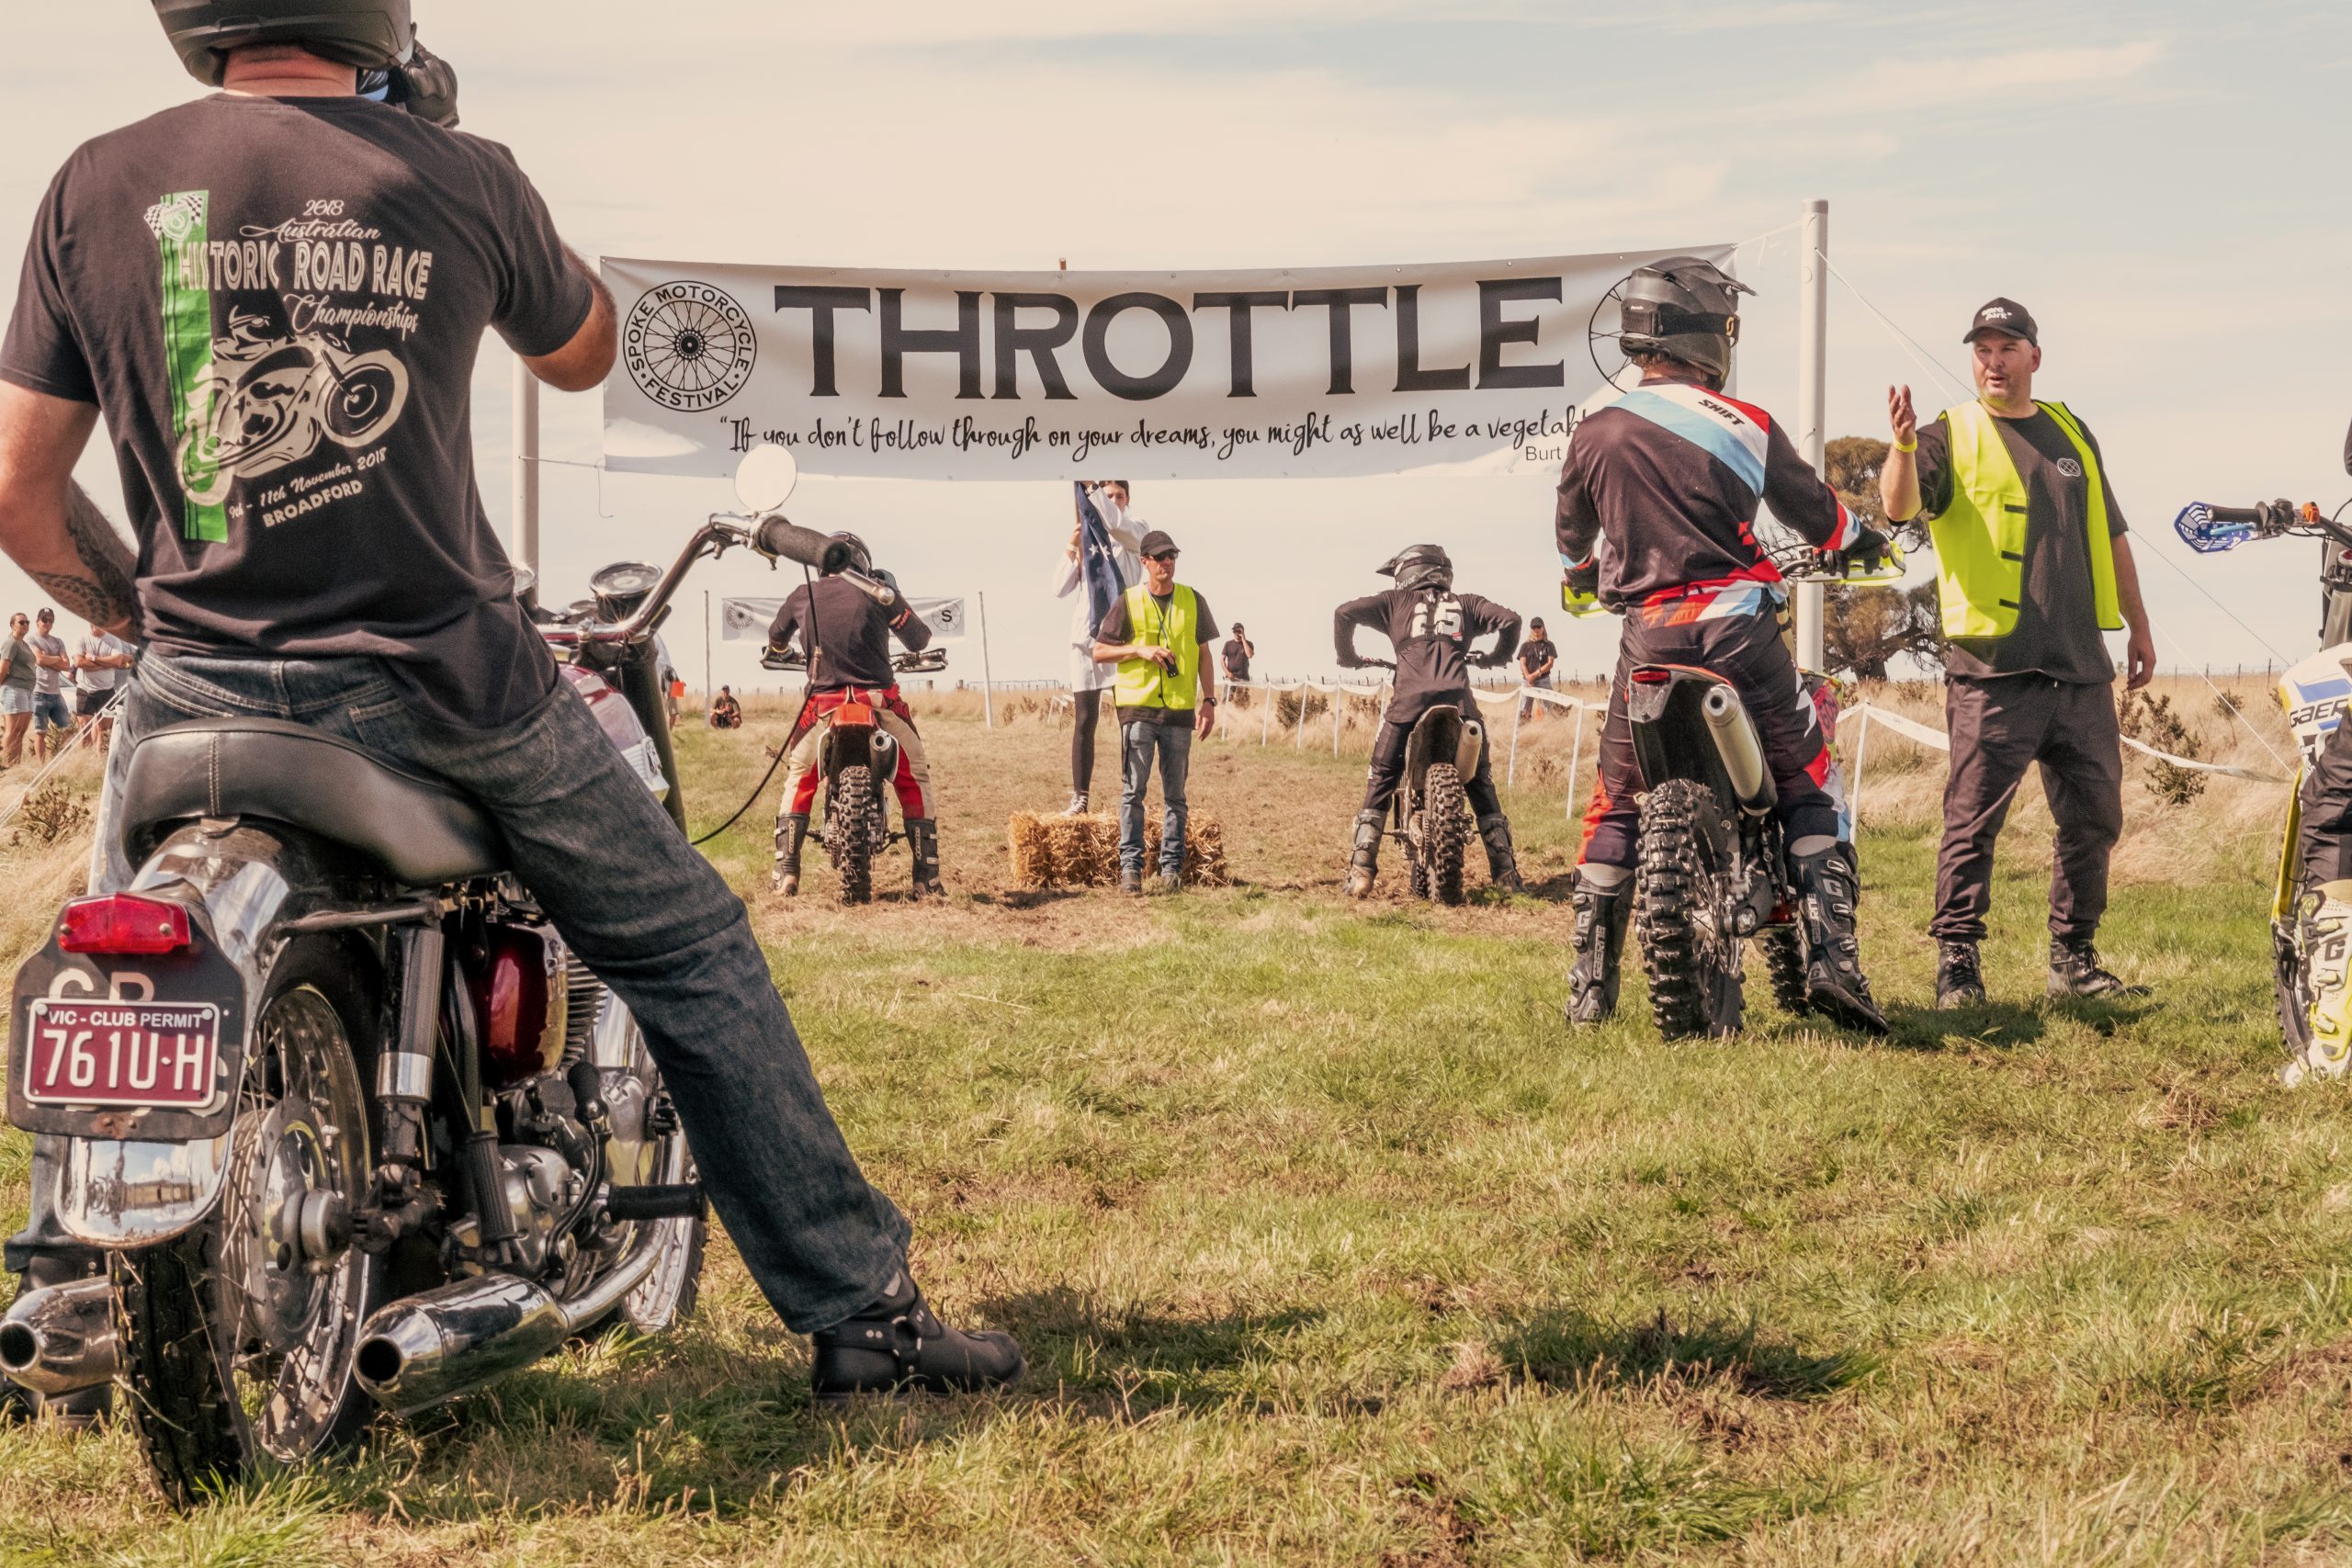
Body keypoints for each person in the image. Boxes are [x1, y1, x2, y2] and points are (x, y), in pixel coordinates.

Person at [0, 2, 1018, 1420]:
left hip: (193, 684)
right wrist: (461, 171)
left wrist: (144, 618)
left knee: (110, 975)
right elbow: (584, 350)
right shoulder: (456, 175)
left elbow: (19, 495)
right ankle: (863, 1313)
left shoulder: (92, 181)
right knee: (689, 944)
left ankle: (56, 1295)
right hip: (440, 674)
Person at [1555, 255, 1889, 1034]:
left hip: (1646, 640)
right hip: (1737, 627)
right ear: (1706, 332)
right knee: (1810, 779)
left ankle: (1588, 987)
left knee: (1614, 801)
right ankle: (1834, 961)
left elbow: (1573, 543)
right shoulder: (1747, 424)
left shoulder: (1592, 430)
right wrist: (1861, 542)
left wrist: (1582, 580)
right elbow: (1824, 519)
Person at [1882, 298, 2156, 1010]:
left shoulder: (2072, 431)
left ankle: (2074, 959)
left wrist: (2140, 626)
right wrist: (1904, 447)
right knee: (1973, 822)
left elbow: (2115, 534)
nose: (1993, 361)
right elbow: (1899, 507)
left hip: (2080, 666)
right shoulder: (1948, 434)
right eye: (1982, 349)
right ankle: (1958, 966)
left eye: (2007, 348)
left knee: (2094, 818)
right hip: (1993, 669)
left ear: (2035, 356)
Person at [1336, 545, 1524, 897]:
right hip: (1459, 702)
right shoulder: (1467, 603)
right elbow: (1512, 621)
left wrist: (1347, 657)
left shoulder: (1395, 602)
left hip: (1409, 702)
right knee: (1480, 781)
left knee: (1381, 776)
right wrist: (1497, 657)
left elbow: (1344, 613)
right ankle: (1506, 873)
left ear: (1408, 573)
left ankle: (1362, 871)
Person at [766, 532, 942, 897]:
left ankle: (785, 872)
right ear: (862, 561)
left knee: (800, 775)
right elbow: (920, 640)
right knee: (914, 774)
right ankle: (927, 876)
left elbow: (776, 638)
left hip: (822, 707)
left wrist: (782, 651)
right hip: (878, 701)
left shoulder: (803, 594)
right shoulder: (878, 591)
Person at [1091, 528, 1217, 893]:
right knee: (1134, 791)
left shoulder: (1194, 600)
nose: (1167, 563)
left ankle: (1171, 870)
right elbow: (1099, 651)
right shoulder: (1128, 601)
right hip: (1137, 710)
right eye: (1159, 557)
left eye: (1172, 556)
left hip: (1179, 713)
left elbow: (1205, 654)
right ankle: (1130, 868)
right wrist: (1140, 650)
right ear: (1144, 562)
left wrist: (1208, 701)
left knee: (1176, 796)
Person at [1051, 479, 1142, 815]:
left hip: (1124, 638)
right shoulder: (1087, 539)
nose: (1113, 501)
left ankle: (1131, 795)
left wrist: (1094, 497)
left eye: (1119, 496)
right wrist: (1072, 546)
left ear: (1127, 500)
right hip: (1086, 638)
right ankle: (1081, 796)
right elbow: (1059, 588)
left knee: (1128, 720)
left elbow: (1118, 527)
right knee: (1085, 719)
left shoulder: (1135, 533)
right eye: (1108, 496)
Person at [73, 618, 134, 750]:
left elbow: (119, 661)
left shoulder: (114, 640)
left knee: (104, 729)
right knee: (85, 729)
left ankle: (98, 760)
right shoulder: (81, 639)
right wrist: (107, 664)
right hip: (85, 689)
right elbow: (79, 663)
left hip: (107, 690)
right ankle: (85, 761)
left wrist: (94, 659)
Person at [27, 607, 74, 760]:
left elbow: (67, 665)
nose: (48, 623)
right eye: (44, 620)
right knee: (41, 732)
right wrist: (56, 659)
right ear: (37, 621)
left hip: (56, 693)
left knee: (68, 729)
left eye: (51, 620)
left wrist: (49, 660)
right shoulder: (31, 640)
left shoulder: (58, 641)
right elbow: (38, 659)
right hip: (39, 692)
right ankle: (42, 765)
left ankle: (64, 760)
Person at [0, 613, 34, 766]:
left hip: (27, 690)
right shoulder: (11, 643)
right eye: (21, 622)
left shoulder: (24, 644)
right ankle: (3, 766)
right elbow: (3, 669)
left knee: (20, 732)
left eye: (27, 622)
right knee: (12, 731)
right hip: (14, 688)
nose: (25, 625)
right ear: (12, 624)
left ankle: (15, 765)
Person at [1516, 615, 1557, 722]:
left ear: (1543, 628)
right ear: (1531, 629)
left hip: (1543, 680)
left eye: (1538, 627)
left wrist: (1534, 675)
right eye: (1534, 627)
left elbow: (1550, 663)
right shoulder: (1525, 646)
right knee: (1524, 711)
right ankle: (1523, 732)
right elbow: (1522, 663)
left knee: (1549, 710)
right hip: (1527, 682)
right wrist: (1528, 677)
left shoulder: (1549, 645)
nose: (1536, 630)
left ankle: (1550, 730)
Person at [1221, 622, 1255, 705]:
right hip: (1230, 678)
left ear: (1243, 631)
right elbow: (1222, 659)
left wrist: (1243, 640)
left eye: (1238, 631)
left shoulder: (1249, 644)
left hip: (1243, 679)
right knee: (1226, 702)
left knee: (1242, 704)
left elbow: (1250, 655)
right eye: (1234, 631)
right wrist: (1228, 673)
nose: (1236, 633)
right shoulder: (1228, 644)